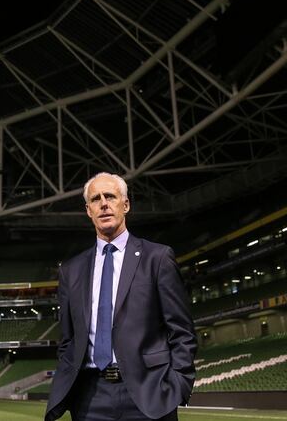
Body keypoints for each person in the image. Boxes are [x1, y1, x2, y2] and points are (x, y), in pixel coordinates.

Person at [45, 172, 197, 421]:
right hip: (90, 398)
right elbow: (67, 340)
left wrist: (177, 384)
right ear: (88, 210)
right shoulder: (71, 270)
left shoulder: (157, 258)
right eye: (96, 199)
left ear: (125, 205)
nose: (103, 203)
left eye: (110, 196)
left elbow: (182, 331)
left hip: (149, 394)